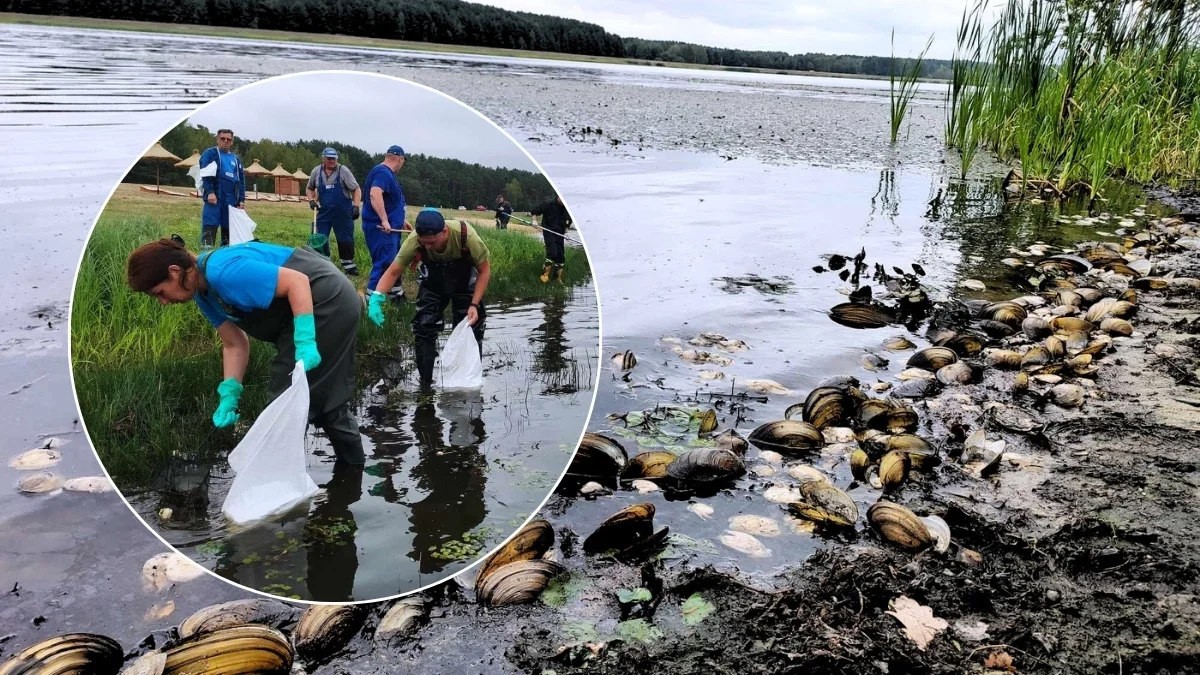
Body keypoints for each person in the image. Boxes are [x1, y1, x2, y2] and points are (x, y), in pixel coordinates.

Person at [125, 237, 365, 465]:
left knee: (284, 407)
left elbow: (297, 282)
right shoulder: (203, 294)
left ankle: (279, 484)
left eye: (159, 293)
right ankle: (350, 471)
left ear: (175, 272)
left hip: (327, 302)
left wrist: (304, 340)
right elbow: (234, 344)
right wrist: (229, 395)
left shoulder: (223, 272)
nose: (164, 302)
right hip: (304, 313)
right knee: (318, 400)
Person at [367, 208, 491, 388]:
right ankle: (425, 384)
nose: (427, 247)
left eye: (432, 242)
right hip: (433, 282)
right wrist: (377, 298)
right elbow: (394, 271)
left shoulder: (466, 235)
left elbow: (484, 271)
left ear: (444, 232)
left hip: (465, 283)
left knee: (470, 327)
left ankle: (468, 382)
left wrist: (474, 303)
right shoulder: (414, 241)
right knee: (423, 327)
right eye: (423, 243)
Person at [361, 145, 409, 303]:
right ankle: (371, 302)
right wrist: (384, 220)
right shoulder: (383, 172)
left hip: (391, 229)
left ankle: (395, 295)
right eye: (403, 161)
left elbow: (391, 203)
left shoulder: (387, 174)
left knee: (394, 262)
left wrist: (401, 220)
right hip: (382, 230)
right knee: (384, 263)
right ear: (400, 159)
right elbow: (375, 193)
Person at [306, 147, 362, 276]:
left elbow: (356, 189)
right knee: (320, 237)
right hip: (324, 212)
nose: (331, 161)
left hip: (343, 212)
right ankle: (322, 263)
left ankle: (348, 264)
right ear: (323, 158)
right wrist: (311, 200)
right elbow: (309, 188)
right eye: (329, 158)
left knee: (345, 238)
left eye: (334, 158)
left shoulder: (343, 171)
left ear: (337, 158)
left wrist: (356, 206)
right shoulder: (317, 171)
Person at [198, 129, 246, 249]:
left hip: (230, 199)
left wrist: (241, 200)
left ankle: (224, 254)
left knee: (228, 228)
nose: (225, 141)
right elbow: (206, 173)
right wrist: (210, 192)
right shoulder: (211, 154)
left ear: (232, 141)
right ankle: (206, 254)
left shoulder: (236, 159)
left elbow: (241, 181)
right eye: (223, 139)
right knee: (210, 223)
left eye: (228, 139)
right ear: (217, 139)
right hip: (215, 196)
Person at [530, 195, 572, 283]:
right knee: (552, 253)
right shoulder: (549, 204)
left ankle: (557, 279)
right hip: (549, 231)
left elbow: (568, 221)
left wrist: (567, 231)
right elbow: (535, 210)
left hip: (560, 233)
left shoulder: (567, 208)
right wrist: (534, 221)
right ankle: (544, 276)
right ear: (559, 197)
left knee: (560, 256)